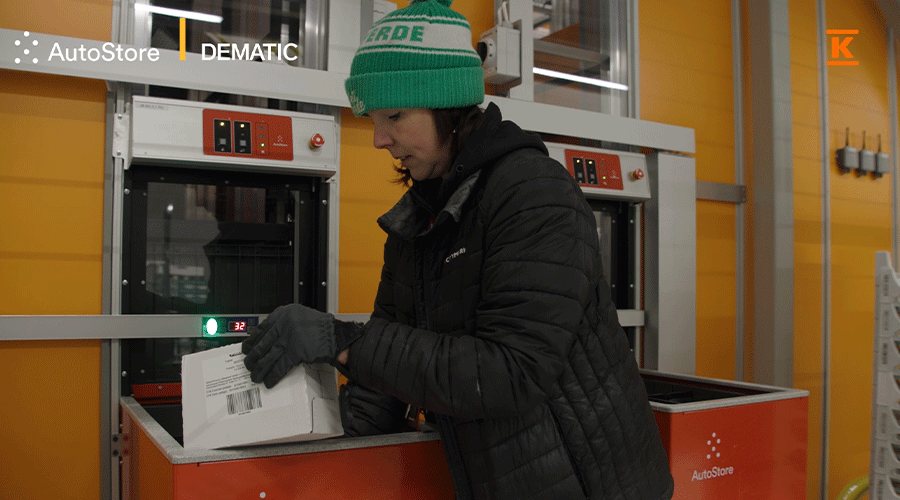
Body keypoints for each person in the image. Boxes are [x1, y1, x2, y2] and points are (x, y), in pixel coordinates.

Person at [242, 0, 675, 498]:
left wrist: (338, 339)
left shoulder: (533, 193)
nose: (380, 138)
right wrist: (298, 432)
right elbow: (383, 374)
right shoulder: (419, 221)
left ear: (446, 104)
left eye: (394, 116)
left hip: (593, 485)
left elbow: (512, 373)